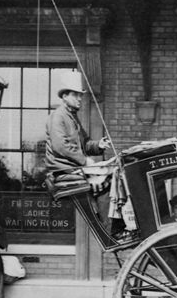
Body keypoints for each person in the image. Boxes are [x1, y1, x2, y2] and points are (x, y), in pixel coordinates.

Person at [44, 70, 129, 240]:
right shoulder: (58, 117)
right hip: (64, 170)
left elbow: (85, 144)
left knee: (115, 175)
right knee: (107, 181)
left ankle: (116, 226)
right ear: (65, 96)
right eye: (76, 95)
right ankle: (111, 230)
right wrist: (85, 161)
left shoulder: (73, 118)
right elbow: (61, 146)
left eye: (80, 96)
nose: (80, 99)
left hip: (74, 168)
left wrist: (99, 145)